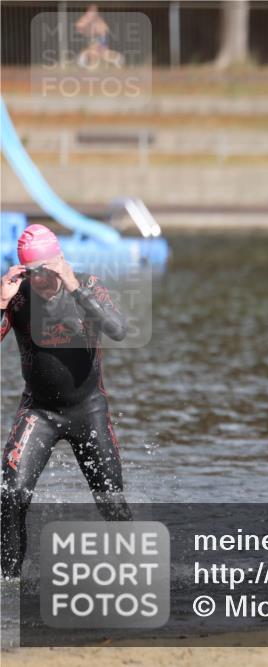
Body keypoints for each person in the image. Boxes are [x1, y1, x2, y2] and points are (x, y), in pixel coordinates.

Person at [0, 225, 132, 578]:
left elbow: (119, 328)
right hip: (38, 412)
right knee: (10, 496)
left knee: (112, 502)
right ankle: (8, 583)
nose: (43, 279)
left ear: (61, 260)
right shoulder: (17, 295)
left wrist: (73, 286)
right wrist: (1, 301)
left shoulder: (86, 285)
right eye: (34, 271)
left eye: (49, 268)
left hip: (88, 408)